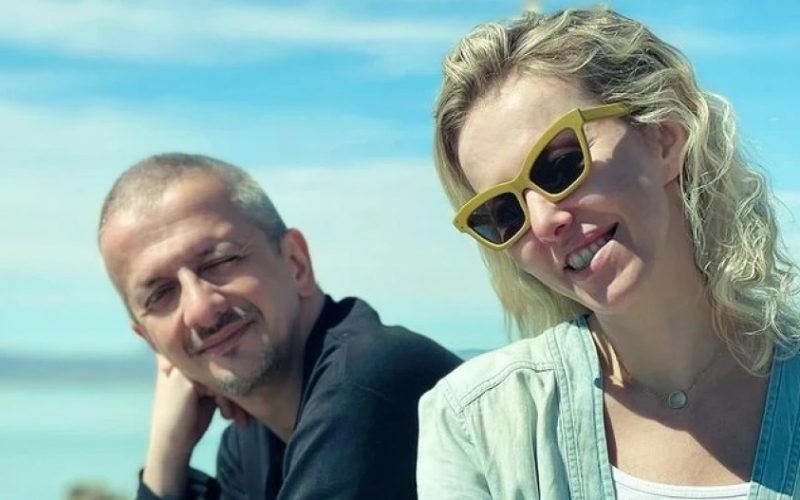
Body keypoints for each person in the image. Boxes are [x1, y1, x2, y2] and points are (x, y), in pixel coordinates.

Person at [418, 6, 800, 499]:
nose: (543, 222)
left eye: (560, 164)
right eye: (503, 213)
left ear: (664, 137)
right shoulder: (475, 422)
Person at [97, 153, 460, 499]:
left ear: (296, 263)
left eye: (220, 262)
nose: (200, 310)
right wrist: (165, 456)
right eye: (160, 294)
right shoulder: (249, 444)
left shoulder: (366, 381)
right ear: (151, 341)